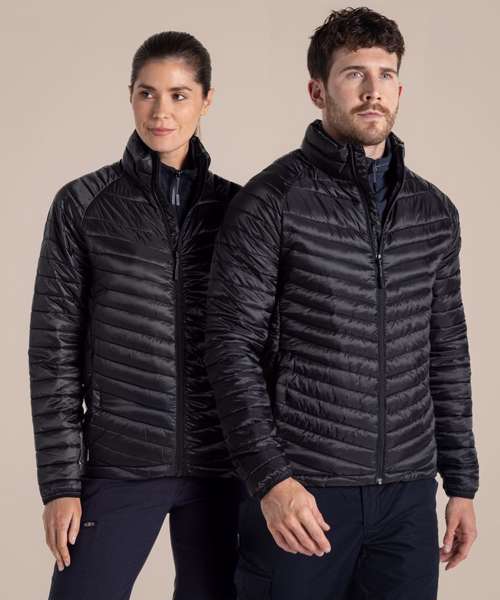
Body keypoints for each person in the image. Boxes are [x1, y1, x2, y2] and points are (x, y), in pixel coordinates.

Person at [205, 7, 479, 600]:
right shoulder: (271, 202)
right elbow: (230, 349)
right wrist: (271, 480)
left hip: (407, 497)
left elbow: (447, 353)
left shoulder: (434, 213)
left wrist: (461, 484)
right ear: (318, 91)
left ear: (400, 89)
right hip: (304, 493)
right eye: (355, 73)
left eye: (386, 74)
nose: (373, 89)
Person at [28, 31, 242, 600]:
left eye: (179, 94)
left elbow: (263, 344)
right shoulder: (83, 204)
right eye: (147, 93)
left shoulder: (238, 209)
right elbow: (53, 350)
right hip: (120, 462)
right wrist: (61, 483)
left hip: (224, 468)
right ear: (130, 96)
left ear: (206, 100)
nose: (160, 111)